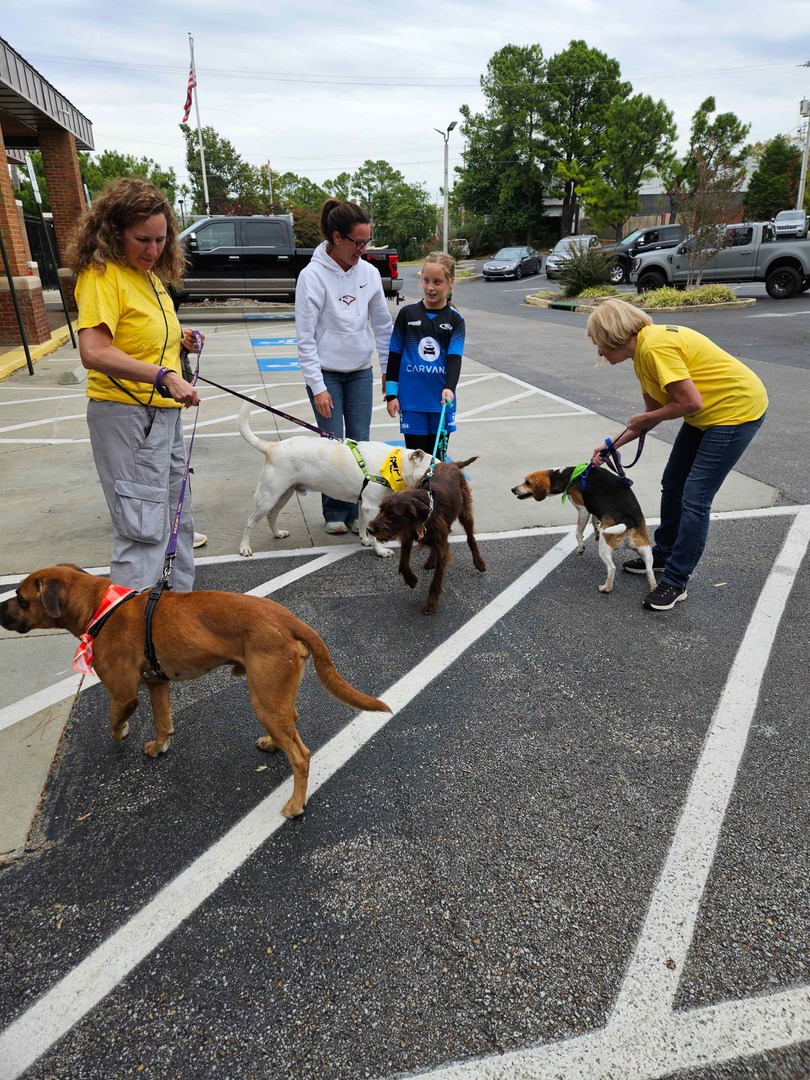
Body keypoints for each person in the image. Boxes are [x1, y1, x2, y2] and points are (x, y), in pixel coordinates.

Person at [586, 298, 768, 611]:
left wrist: (642, 421)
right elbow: (653, 414)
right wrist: (613, 443)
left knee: (695, 496)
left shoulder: (655, 347)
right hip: (707, 416)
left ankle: (676, 580)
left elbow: (690, 402)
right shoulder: (642, 354)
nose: (599, 352)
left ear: (613, 335)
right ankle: (664, 554)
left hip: (735, 412)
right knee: (673, 483)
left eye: (598, 344)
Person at [67, 177, 202, 592]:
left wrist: (179, 343)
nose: (153, 249)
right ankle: (134, 639)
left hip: (160, 417)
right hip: (128, 417)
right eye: (142, 239)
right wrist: (164, 375)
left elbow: (139, 339)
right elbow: (94, 351)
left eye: (161, 239)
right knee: (142, 530)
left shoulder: (148, 276)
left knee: (176, 519)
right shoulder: (102, 275)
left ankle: (175, 622)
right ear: (113, 232)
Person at [295, 199, 393, 535]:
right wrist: (317, 385)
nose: (363, 250)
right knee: (333, 447)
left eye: (367, 242)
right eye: (358, 243)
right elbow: (305, 337)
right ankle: (335, 511)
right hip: (327, 374)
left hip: (360, 371)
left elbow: (382, 325)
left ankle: (359, 509)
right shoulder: (312, 276)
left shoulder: (369, 273)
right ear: (337, 237)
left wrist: (387, 372)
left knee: (361, 445)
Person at [385, 252, 464, 459]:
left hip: (440, 403)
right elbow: (394, 354)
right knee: (415, 464)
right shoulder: (407, 314)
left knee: (436, 465)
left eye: (437, 282)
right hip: (411, 402)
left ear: (451, 283)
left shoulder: (456, 320)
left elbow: (454, 358)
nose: (430, 287)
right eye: (426, 280)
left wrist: (449, 388)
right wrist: (392, 394)